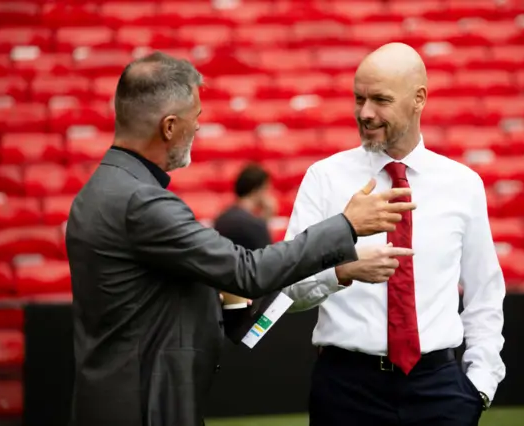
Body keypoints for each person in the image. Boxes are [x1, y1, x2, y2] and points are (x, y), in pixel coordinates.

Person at [65, 51, 415, 426]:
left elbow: (147, 297)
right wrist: (346, 225)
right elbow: (247, 271)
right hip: (144, 405)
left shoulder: (102, 188)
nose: (197, 129)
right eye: (195, 118)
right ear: (169, 127)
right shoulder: (141, 201)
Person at [283, 43, 506, 426]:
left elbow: (484, 292)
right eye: (359, 98)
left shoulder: (463, 184)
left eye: (380, 100)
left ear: (419, 99)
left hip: (440, 389)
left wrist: (480, 384)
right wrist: (343, 272)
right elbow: (291, 287)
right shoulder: (324, 178)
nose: (365, 113)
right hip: (346, 391)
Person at [213, 163, 276, 251]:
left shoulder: (221, 218)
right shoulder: (255, 224)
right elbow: (267, 257)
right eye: (267, 189)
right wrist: (266, 218)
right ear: (258, 190)